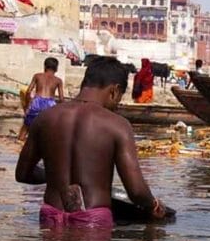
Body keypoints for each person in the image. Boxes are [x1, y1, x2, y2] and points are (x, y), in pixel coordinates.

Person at [15, 56, 167, 230]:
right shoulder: (117, 125)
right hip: (92, 221)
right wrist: (154, 205)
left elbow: (23, 174)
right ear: (114, 91)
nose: (116, 106)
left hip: (51, 216)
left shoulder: (45, 118)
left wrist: (55, 175)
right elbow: (136, 191)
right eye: (118, 99)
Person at [17, 57, 65, 141]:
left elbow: (28, 92)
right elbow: (61, 99)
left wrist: (28, 106)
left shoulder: (37, 76)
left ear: (45, 67)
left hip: (37, 102)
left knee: (25, 129)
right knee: (48, 132)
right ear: (56, 69)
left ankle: (21, 142)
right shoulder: (58, 80)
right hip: (50, 104)